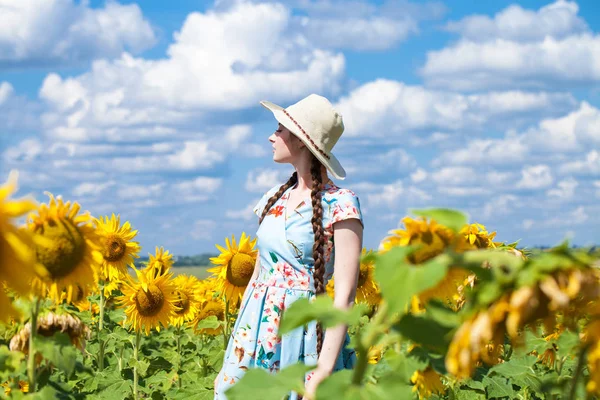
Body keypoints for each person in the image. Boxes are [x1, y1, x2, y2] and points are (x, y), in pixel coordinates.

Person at [214, 94, 364, 400]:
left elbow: (345, 295)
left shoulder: (342, 204)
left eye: (280, 130)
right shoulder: (273, 198)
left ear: (300, 142)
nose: (272, 136)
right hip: (255, 335)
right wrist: (232, 358)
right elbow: (257, 276)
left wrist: (322, 370)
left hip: (307, 337)